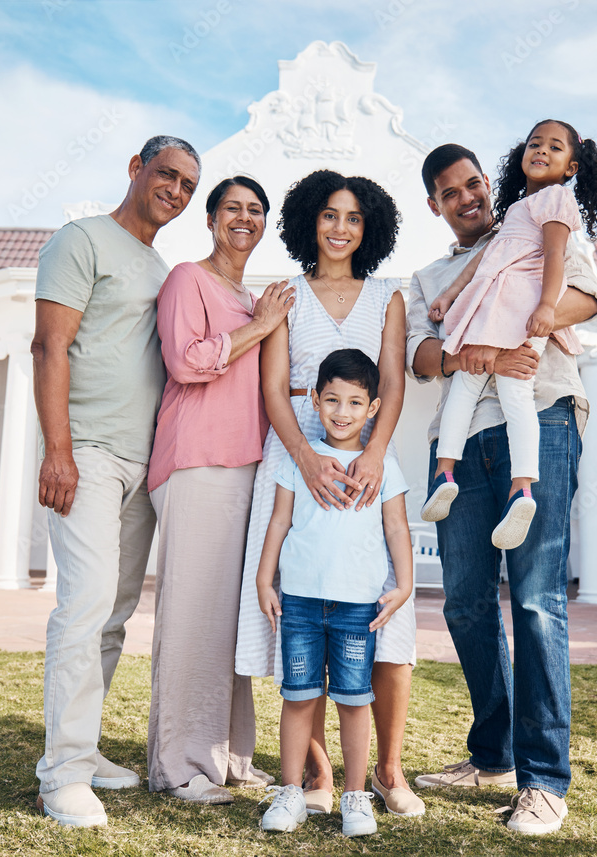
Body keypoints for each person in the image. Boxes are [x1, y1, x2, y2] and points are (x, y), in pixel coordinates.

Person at [406, 140, 597, 835]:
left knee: (537, 600)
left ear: (487, 185)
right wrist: (470, 353)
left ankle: (543, 779)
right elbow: (418, 356)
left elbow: (584, 294)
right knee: (464, 603)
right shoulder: (428, 276)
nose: (469, 197)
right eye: (451, 192)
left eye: (474, 183)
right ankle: (491, 754)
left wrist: (535, 322)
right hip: (460, 445)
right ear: (436, 204)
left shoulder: (536, 222)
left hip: (541, 414)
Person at [235, 170, 424, 818]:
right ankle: (314, 773)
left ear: (369, 227)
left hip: (366, 465)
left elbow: (393, 384)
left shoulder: (387, 298)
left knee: (380, 623)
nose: (340, 228)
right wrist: (307, 456)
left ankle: (386, 771)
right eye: (329, 215)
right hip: (295, 459)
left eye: (353, 217)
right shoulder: (286, 293)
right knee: (301, 622)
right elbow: (273, 386)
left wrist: (372, 452)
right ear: (309, 220)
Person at [32, 135, 201, 827]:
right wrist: (59, 450)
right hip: (88, 454)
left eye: (189, 184)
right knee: (85, 602)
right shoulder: (81, 240)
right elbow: (49, 344)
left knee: (113, 612)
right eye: (167, 174)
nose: (177, 190)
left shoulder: (163, 268)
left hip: (144, 464)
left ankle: (87, 746)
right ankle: (63, 773)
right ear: (136, 169)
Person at [147, 176, 295, 803]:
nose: (244, 218)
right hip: (197, 464)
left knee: (231, 622)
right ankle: (181, 766)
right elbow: (187, 361)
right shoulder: (189, 278)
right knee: (193, 621)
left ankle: (230, 758)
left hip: (247, 470)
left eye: (255, 210)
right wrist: (261, 328)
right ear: (210, 219)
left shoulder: (253, 297)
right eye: (232, 208)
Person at [422, 120, 597, 553]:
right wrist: (449, 294)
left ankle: (503, 484)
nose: (542, 150)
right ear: (434, 205)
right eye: (535, 143)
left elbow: (566, 273)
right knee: (465, 397)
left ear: (572, 166)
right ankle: (457, 478)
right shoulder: (513, 215)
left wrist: (540, 311)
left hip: (523, 345)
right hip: (483, 327)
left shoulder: (557, 201)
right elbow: (482, 264)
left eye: (554, 147)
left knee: (513, 399)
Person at [256, 349, 413, 838]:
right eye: (331, 400)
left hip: (356, 607)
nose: (341, 412)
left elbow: (396, 527)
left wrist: (405, 585)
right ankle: (289, 793)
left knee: (353, 699)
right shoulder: (297, 462)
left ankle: (355, 797)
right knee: (299, 697)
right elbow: (279, 520)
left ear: (372, 408)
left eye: (353, 402)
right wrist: (265, 579)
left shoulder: (383, 464)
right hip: (300, 603)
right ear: (313, 399)